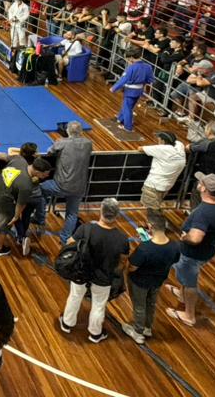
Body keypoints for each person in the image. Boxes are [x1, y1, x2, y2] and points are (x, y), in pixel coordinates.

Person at [58, 198, 129, 344]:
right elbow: (123, 261)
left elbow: (70, 243)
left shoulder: (86, 229)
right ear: (117, 215)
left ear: (101, 211)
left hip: (82, 272)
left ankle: (67, 323)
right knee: (98, 305)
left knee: (75, 296)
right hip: (104, 277)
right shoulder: (122, 238)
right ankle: (95, 333)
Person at [166, 173, 215, 327]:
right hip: (209, 248)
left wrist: (185, 237)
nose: (198, 183)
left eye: (200, 182)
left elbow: (195, 238)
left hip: (192, 254)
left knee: (190, 283)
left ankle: (189, 315)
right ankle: (181, 295)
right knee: (185, 277)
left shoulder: (203, 212)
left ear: (203, 188)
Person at [119, 211, 181, 345]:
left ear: (150, 227)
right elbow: (175, 260)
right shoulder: (175, 246)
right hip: (158, 281)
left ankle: (138, 332)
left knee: (139, 306)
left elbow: (132, 267)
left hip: (140, 282)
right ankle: (148, 328)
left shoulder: (145, 248)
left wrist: (127, 272)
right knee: (151, 303)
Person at [0, 148, 52, 258]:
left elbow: (5, 156)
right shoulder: (27, 185)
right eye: (45, 174)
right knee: (5, 225)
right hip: (4, 201)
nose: (46, 176)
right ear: (38, 172)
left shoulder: (19, 159)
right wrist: (16, 216)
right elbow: (20, 203)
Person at [42, 122, 92, 245]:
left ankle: (39, 217)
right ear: (81, 131)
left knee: (39, 189)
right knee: (72, 214)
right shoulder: (88, 143)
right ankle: (65, 239)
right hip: (79, 187)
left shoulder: (62, 142)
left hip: (61, 185)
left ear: (67, 131)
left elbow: (49, 152)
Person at [140, 132, 187, 209]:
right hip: (167, 186)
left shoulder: (161, 149)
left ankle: (157, 217)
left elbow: (140, 148)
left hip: (153, 185)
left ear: (163, 141)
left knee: (151, 209)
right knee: (156, 205)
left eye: (159, 140)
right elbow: (178, 142)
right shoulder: (180, 147)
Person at [111, 48, 154, 131]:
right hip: (139, 90)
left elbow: (124, 79)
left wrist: (114, 88)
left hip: (130, 91)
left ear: (131, 58)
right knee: (129, 106)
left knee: (127, 108)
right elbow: (150, 80)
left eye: (127, 59)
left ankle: (128, 127)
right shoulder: (148, 67)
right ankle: (120, 118)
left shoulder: (131, 67)